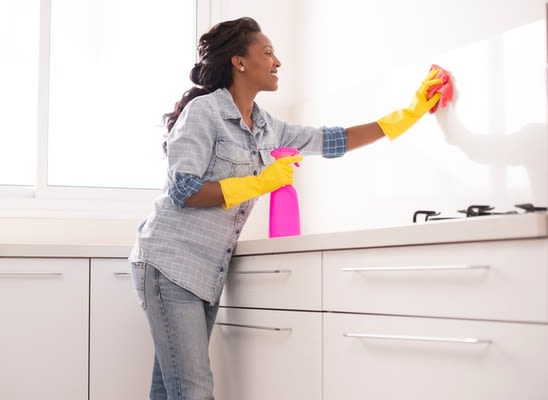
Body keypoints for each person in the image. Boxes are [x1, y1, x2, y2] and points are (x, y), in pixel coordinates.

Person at [129, 16, 443, 400]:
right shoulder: (205, 112)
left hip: (204, 271)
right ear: (239, 62)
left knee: (171, 388)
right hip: (169, 263)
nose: (277, 62)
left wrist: (407, 114)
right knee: (193, 390)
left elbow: (332, 140)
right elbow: (184, 191)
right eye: (267, 53)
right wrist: (261, 182)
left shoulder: (265, 126)